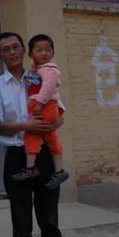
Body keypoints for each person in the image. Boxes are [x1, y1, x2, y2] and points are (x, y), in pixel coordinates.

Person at [0, 32, 78, 237]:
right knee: (21, 220)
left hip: (45, 155)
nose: (12, 52)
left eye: (16, 47)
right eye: (5, 49)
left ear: (25, 50)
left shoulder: (40, 77)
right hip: (17, 158)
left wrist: (51, 126)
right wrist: (26, 125)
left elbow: (59, 111)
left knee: (49, 218)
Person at [12, 34, 70, 190]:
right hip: (46, 106)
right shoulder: (38, 70)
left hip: (45, 106)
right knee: (51, 137)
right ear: (30, 54)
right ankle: (59, 171)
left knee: (32, 132)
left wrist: (39, 103)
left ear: (53, 52)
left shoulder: (49, 69)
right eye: (39, 50)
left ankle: (30, 167)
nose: (44, 53)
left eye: (48, 50)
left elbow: (48, 87)